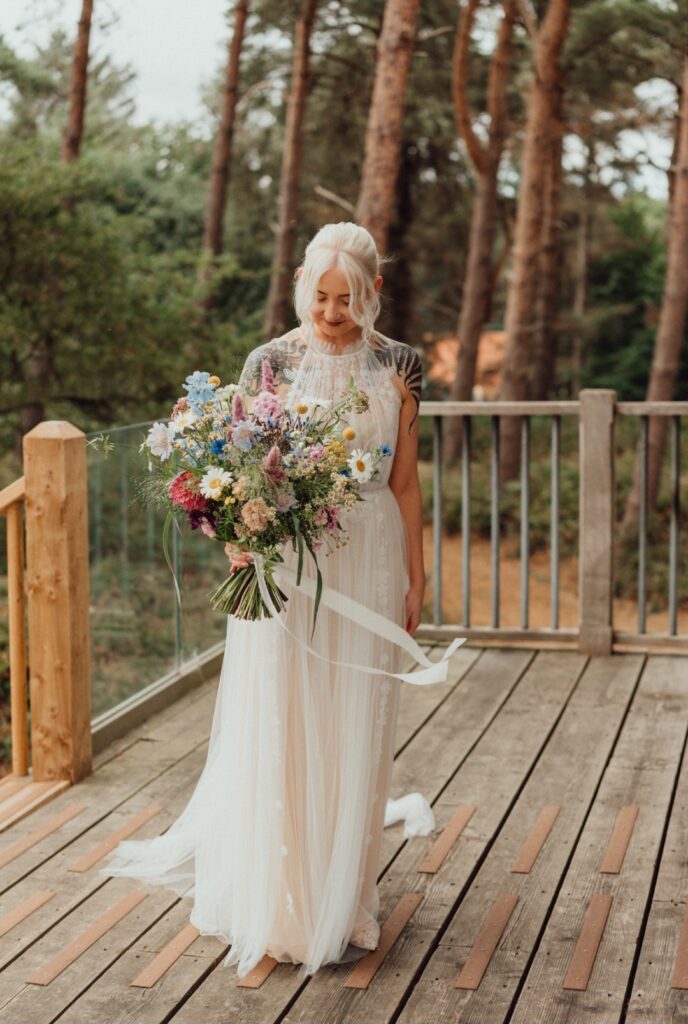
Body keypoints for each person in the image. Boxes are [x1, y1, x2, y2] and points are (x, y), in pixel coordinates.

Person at [99, 221, 434, 979]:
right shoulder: (270, 362)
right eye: (319, 296)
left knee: (354, 719)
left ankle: (342, 898)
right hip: (289, 560)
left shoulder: (403, 366)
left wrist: (419, 573)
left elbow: (406, 480)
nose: (330, 312)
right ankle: (281, 898)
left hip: (371, 557)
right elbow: (243, 466)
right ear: (302, 287)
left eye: (346, 299)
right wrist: (236, 535)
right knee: (284, 715)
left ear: (373, 293)